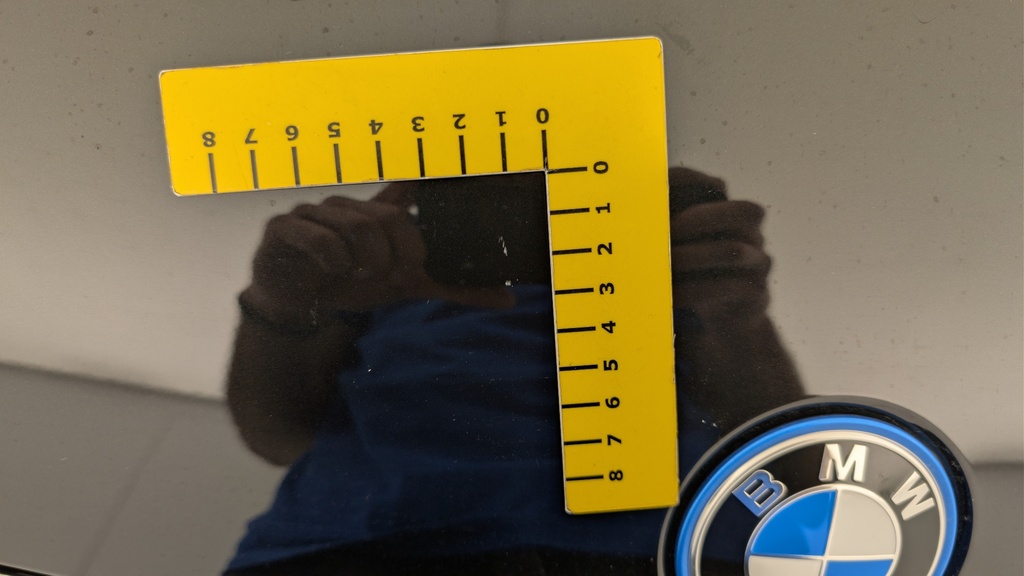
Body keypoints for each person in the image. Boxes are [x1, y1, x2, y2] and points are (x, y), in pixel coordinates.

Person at [223, 168, 803, 575]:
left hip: (350, 543)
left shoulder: (378, 271)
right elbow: (778, 454)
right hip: (667, 543)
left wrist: (280, 306)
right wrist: (283, 301)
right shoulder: (381, 270)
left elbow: (278, 437)